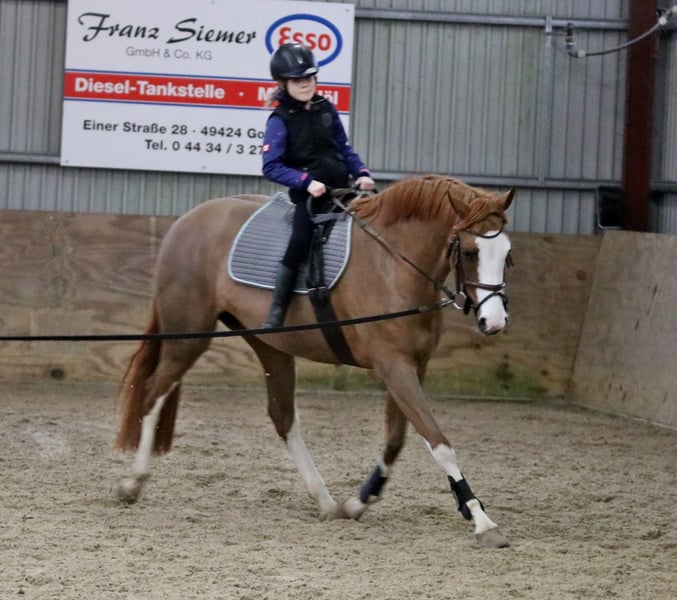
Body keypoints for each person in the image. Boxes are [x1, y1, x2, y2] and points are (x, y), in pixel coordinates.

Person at [260, 42, 375, 329]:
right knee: (299, 240)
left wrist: (361, 172)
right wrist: (306, 182)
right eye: (297, 80)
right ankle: (278, 308)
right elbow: (271, 166)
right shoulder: (279, 120)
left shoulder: (326, 108)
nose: (305, 84)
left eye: (309, 78)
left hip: (343, 191)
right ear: (283, 83)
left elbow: (343, 147)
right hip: (309, 199)